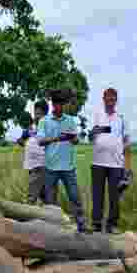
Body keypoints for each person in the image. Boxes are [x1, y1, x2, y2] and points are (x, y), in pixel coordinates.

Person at [37, 89, 89, 232]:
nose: (59, 106)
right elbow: (40, 141)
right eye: (56, 103)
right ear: (53, 104)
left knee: (74, 197)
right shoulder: (44, 121)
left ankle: (82, 225)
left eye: (62, 104)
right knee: (50, 201)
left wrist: (72, 138)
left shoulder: (70, 120)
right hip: (50, 167)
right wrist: (57, 139)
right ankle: (51, 228)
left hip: (68, 167)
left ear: (64, 105)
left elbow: (76, 140)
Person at [89, 87, 132, 234]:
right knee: (97, 194)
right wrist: (94, 131)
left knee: (114, 196)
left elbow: (126, 142)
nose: (110, 102)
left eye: (113, 99)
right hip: (98, 162)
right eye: (108, 99)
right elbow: (91, 137)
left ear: (116, 100)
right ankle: (96, 224)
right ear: (103, 99)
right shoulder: (97, 115)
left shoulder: (121, 118)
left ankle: (112, 225)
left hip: (116, 163)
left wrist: (127, 167)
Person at [17, 100, 50, 205]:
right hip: (31, 165)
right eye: (35, 113)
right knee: (44, 195)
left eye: (39, 114)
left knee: (31, 196)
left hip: (40, 165)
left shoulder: (48, 126)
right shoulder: (30, 127)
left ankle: (27, 214)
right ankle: (50, 214)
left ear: (45, 114)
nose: (37, 116)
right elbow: (21, 140)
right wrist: (23, 140)